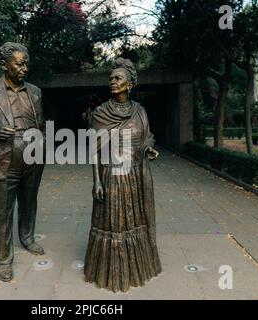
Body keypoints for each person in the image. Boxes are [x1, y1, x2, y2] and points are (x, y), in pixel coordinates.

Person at [84, 58, 162, 292]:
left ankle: (138, 267)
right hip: (111, 175)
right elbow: (94, 149)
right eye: (111, 79)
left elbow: (147, 136)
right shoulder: (100, 113)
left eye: (118, 78)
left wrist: (149, 148)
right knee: (113, 223)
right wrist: (96, 181)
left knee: (135, 220)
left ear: (129, 84)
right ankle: (109, 272)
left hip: (136, 176)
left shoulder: (140, 111)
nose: (112, 82)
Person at [0, 42, 45, 282]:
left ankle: (27, 237)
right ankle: (4, 260)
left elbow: (41, 123)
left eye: (26, 64)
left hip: (32, 156)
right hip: (2, 157)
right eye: (19, 64)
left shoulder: (34, 91)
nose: (24, 68)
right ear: (4, 65)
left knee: (29, 202)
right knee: (3, 212)